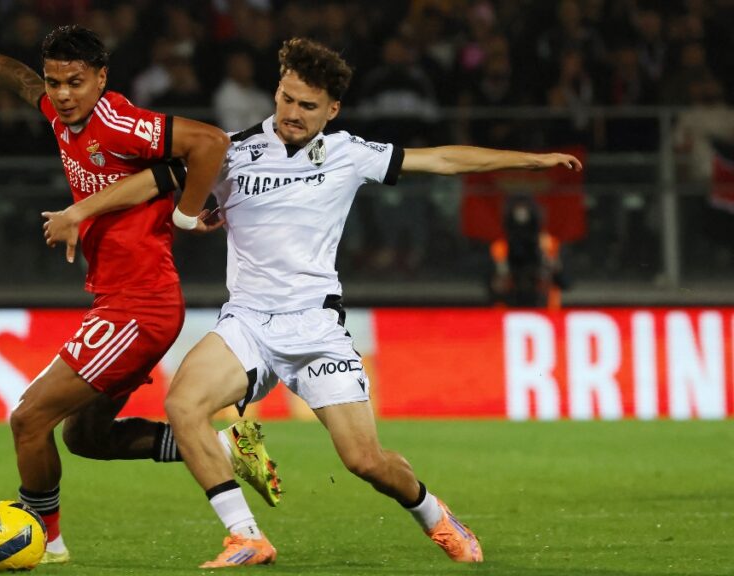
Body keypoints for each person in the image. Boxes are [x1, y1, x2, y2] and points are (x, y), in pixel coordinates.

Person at [48, 37, 583, 568]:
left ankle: (435, 515)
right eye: (285, 98)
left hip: (316, 326)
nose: (292, 113)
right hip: (248, 322)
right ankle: (246, 537)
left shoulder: (351, 154)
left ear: (333, 109)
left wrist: (530, 161)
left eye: (307, 105)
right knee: (184, 406)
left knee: (365, 461)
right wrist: (86, 211)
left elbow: (442, 158)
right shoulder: (233, 150)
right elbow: (152, 180)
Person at [0, 21, 281, 565]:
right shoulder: (60, 112)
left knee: (29, 419)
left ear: (102, 78)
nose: (62, 93)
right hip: (118, 301)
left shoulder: (119, 122)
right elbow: (24, 83)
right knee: (86, 438)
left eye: (75, 82)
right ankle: (224, 449)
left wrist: (184, 211)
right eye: (57, 82)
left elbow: (211, 142)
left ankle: (44, 540)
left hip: (140, 307)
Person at [489, 196, 568, 309]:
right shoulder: (500, 248)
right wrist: (502, 270)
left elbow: (565, 283)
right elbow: (492, 289)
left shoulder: (549, 245)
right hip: (508, 308)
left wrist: (552, 265)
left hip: (545, 308)